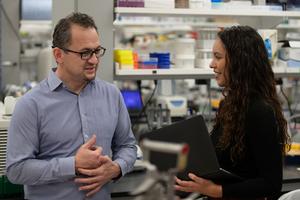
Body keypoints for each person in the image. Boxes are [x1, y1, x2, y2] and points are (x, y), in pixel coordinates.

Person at [6, 12, 137, 200]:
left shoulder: (112, 95)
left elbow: (128, 146)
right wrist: (73, 164)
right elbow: (16, 170)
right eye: (85, 53)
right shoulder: (31, 104)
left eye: (96, 51)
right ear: (59, 55)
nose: (93, 60)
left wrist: (116, 168)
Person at [175, 26, 290, 199]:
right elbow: (218, 160)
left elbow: (271, 184)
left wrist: (214, 190)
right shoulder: (231, 105)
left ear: (240, 61)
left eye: (218, 57)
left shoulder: (260, 111)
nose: (211, 64)